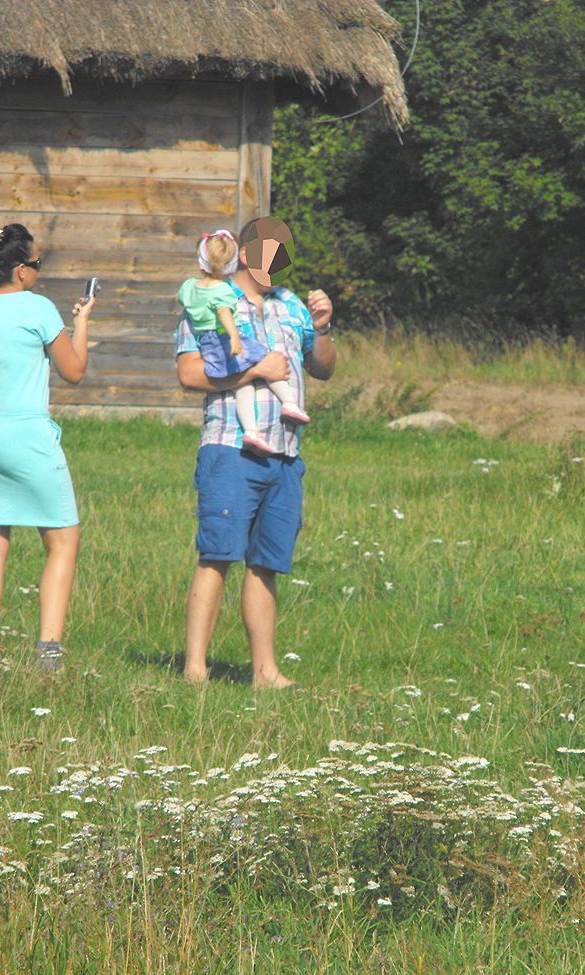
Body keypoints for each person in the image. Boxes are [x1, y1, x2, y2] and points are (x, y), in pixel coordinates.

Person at [175, 216, 336, 689]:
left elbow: (322, 367)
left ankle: (265, 672)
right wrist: (253, 371)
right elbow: (188, 374)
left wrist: (323, 329)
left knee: (266, 562)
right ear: (247, 254)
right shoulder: (212, 299)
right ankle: (195, 671)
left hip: (285, 453)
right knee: (217, 555)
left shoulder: (291, 306)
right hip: (230, 447)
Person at [0, 224, 94, 671]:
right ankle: (48, 650)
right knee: (63, 540)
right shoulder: (40, 309)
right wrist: (82, 324)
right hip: (25, 436)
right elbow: (74, 371)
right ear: (20, 272)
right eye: (36, 264)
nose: (38, 271)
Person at [176, 229, 310, 455]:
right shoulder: (224, 292)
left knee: (244, 386)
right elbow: (224, 314)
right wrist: (238, 340)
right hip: (224, 342)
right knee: (267, 364)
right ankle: (289, 404)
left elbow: (187, 297)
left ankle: (251, 430)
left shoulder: (190, 288)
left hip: (286, 451)